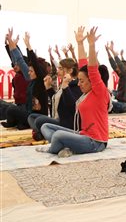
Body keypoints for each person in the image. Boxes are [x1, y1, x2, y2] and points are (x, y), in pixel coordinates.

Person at [37, 26, 111, 157]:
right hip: (81, 134)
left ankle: (53, 149)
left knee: (59, 135)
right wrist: (80, 43)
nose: (78, 83)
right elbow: (83, 65)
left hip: (95, 142)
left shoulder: (99, 92)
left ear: (92, 81)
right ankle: (65, 145)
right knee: (46, 127)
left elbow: (92, 69)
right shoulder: (86, 93)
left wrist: (92, 45)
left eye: (82, 81)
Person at [3, 30, 48, 130]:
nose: (28, 72)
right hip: (28, 112)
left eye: (31, 71)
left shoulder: (39, 82)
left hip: (36, 117)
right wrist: (9, 43)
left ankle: (16, 123)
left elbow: (20, 59)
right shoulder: (30, 79)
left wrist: (28, 45)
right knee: (11, 110)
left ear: (37, 72)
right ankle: (21, 123)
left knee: (11, 110)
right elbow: (15, 58)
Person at [28, 57, 82, 140]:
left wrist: (65, 87)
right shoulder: (64, 84)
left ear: (70, 71)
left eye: (60, 69)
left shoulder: (75, 85)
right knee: (31, 117)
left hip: (67, 123)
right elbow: (57, 101)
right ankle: (40, 133)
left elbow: (71, 104)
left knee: (39, 120)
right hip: (58, 118)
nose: (58, 71)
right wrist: (48, 87)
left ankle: (42, 133)